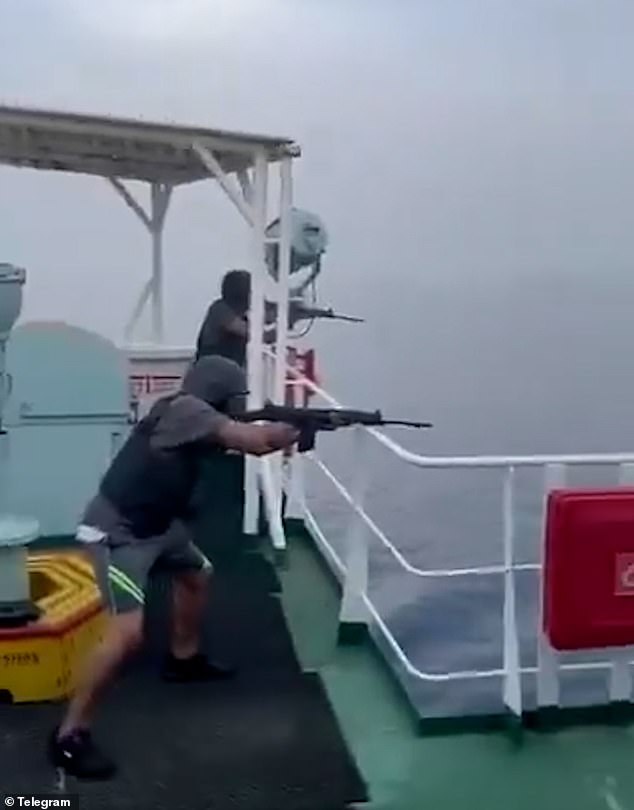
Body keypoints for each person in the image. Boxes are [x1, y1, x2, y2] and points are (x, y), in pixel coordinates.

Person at [47, 355, 298, 780]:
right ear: (219, 396)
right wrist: (296, 427)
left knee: (197, 575)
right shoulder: (186, 410)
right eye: (233, 400)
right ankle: (69, 736)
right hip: (118, 534)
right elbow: (253, 442)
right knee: (127, 635)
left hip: (161, 528)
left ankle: (183, 659)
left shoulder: (194, 416)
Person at [195, 269, 277, 367]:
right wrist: (281, 330)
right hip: (213, 374)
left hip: (225, 372)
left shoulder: (236, 311)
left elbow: (269, 313)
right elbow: (255, 335)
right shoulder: (221, 311)